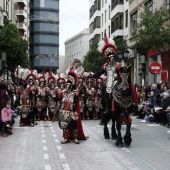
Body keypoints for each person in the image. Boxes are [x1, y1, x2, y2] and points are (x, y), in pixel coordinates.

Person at [58, 70, 86, 144]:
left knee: (74, 125)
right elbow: (60, 100)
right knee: (65, 125)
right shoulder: (63, 93)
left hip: (73, 111)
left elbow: (76, 100)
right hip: (65, 111)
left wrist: (77, 94)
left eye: (68, 85)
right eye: (66, 85)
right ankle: (66, 138)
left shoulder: (74, 92)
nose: (67, 86)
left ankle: (75, 138)